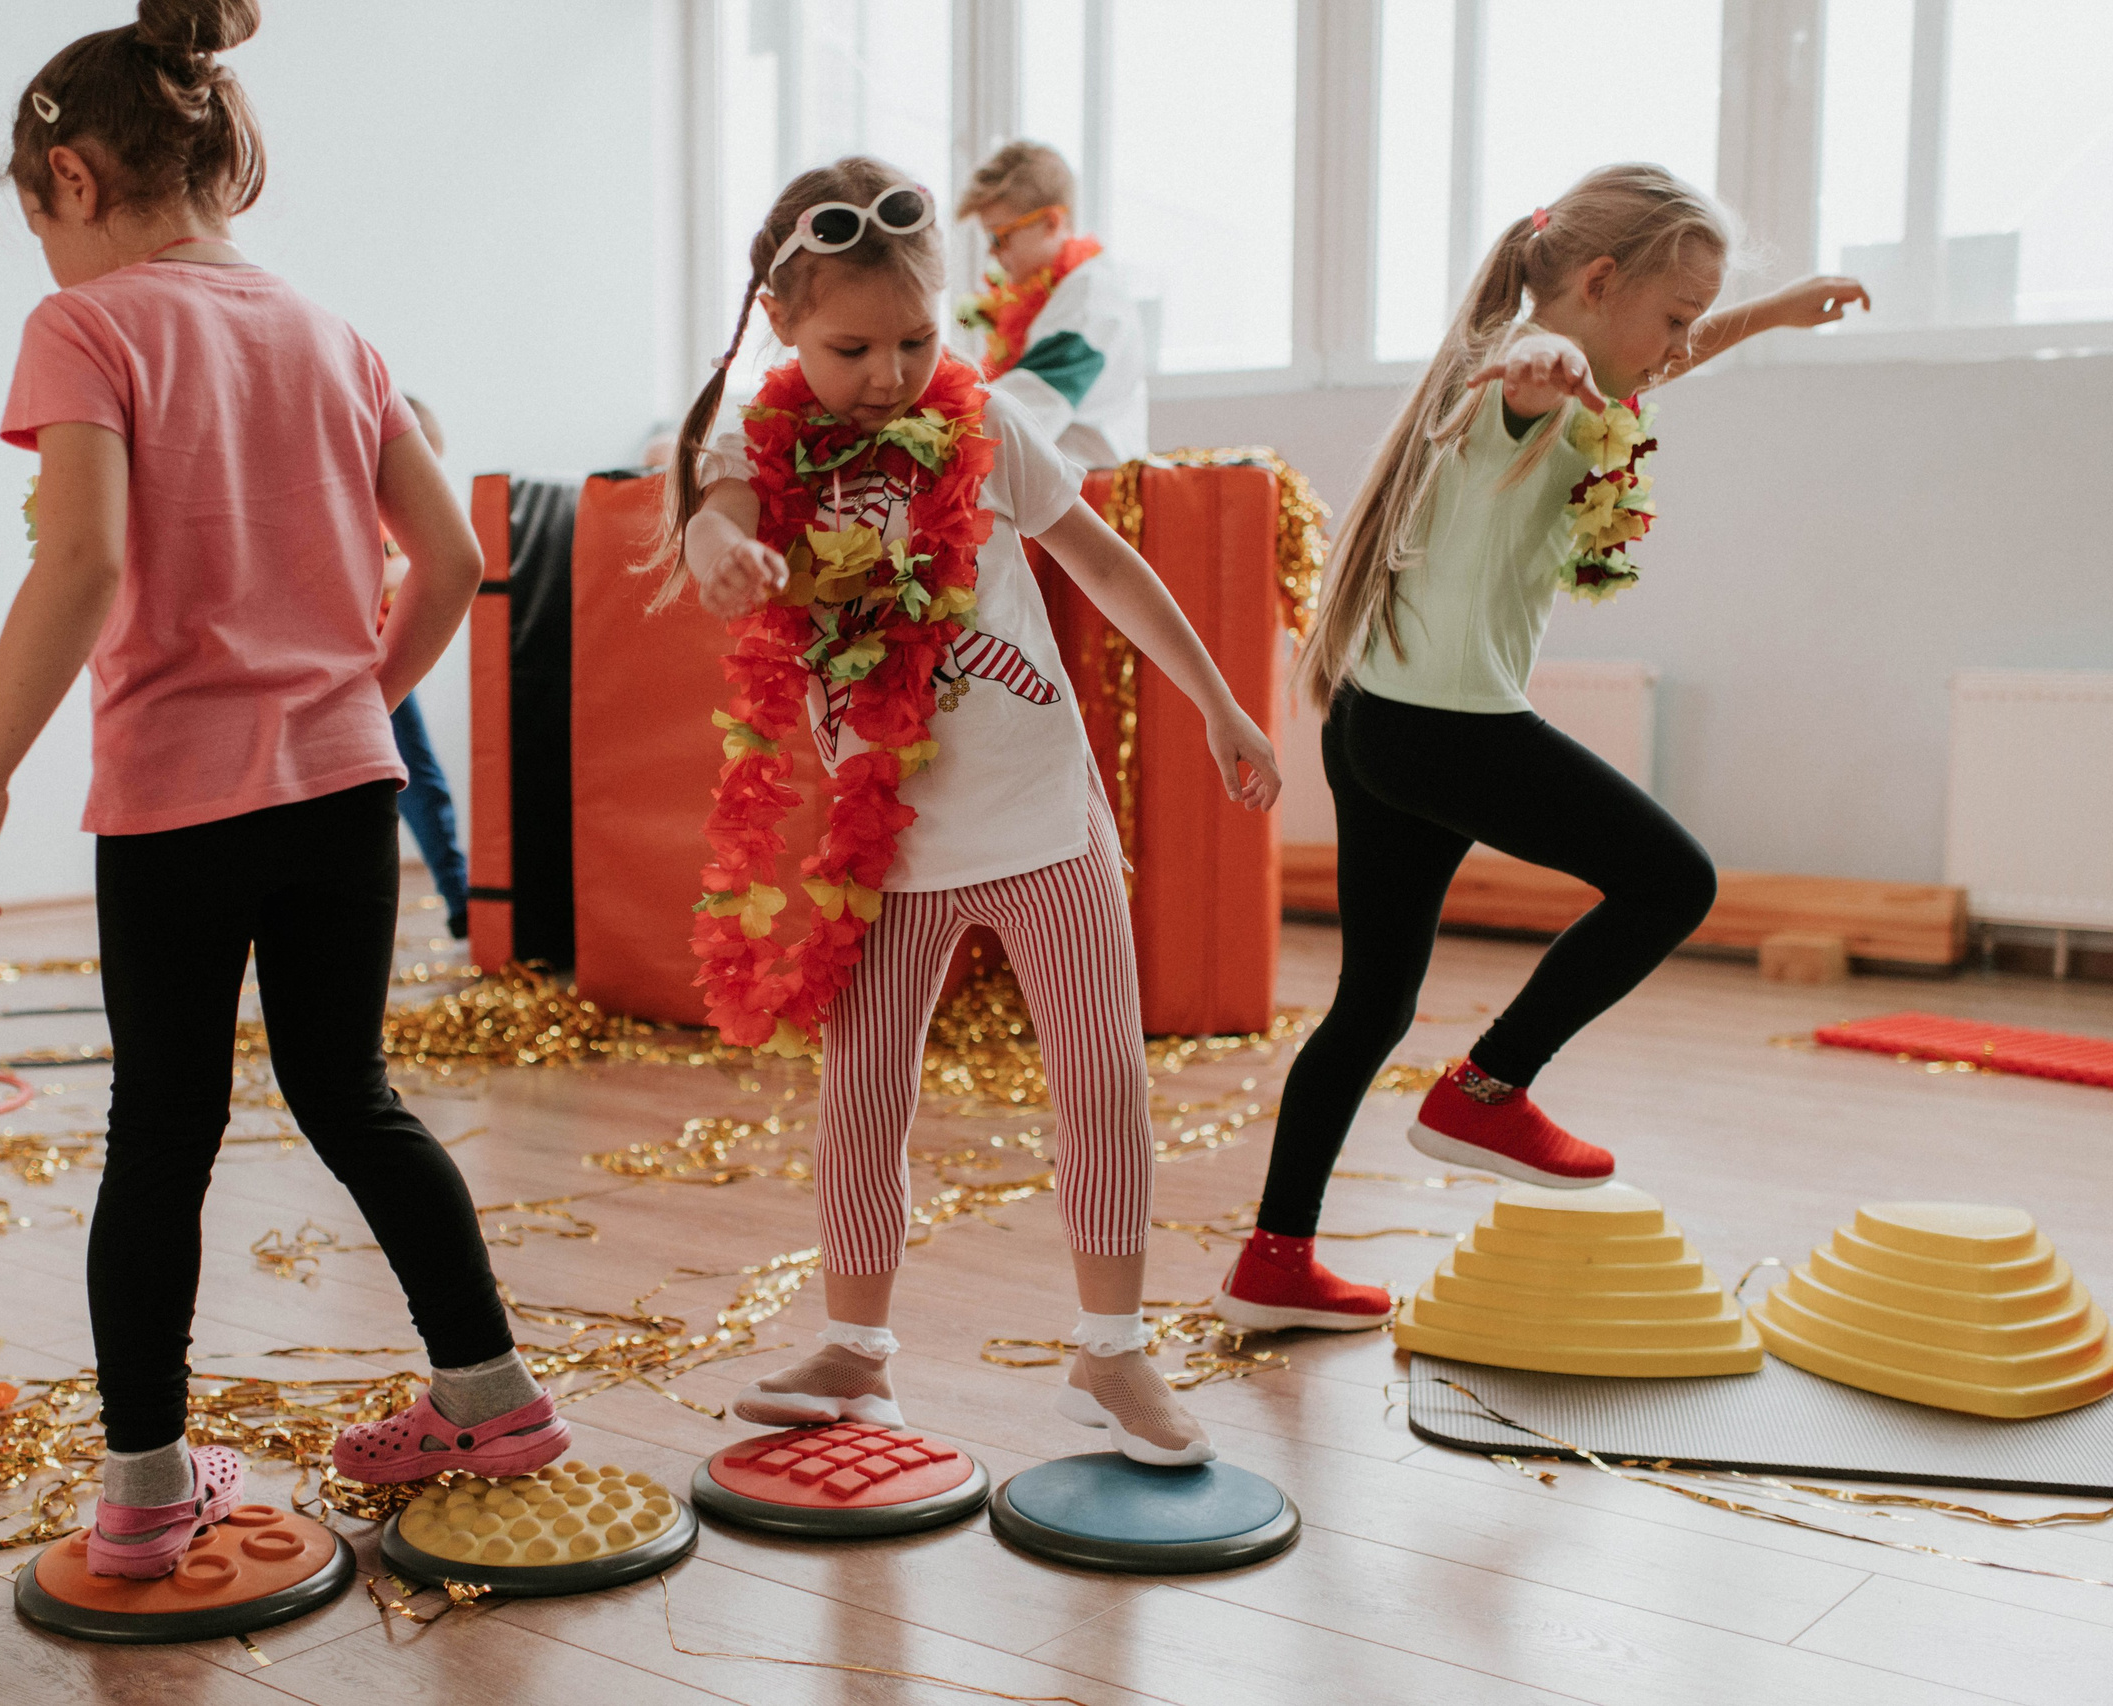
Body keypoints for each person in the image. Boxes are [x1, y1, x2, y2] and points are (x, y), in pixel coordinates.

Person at [0, 0, 565, 1581]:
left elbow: (82, 564)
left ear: (68, 177)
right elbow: (461, 559)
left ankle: (142, 1486)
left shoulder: (88, 327)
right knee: (354, 1097)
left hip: (174, 804)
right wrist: (350, 700)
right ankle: (491, 1397)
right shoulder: (337, 334)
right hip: (342, 790)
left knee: (162, 1130)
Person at [660, 157, 1280, 1465]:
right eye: (850, 346)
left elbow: (1104, 561)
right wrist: (720, 543)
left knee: (1103, 1083)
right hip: (887, 855)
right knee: (862, 1101)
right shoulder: (760, 446)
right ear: (780, 322)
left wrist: (1221, 704)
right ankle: (856, 1351)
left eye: (915, 337)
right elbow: (715, 514)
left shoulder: (991, 421)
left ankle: (1110, 1355)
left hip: (1047, 822)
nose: (887, 373)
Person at [1216, 164, 1871, 1333]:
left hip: (1379, 722)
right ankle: (1485, 1087)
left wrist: (1769, 315)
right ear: (1597, 279)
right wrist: (1539, 373)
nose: (1677, 344)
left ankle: (1275, 1258)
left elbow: (1620, 359)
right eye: (1672, 315)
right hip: (1448, 732)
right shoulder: (1519, 376)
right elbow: (1537, 383)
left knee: (1367, 1004)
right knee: (1675, 881)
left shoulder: (1541, 355)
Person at [954, 140, 1146, 469]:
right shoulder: (1058, 298)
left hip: (1097, 498)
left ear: (1052, 222)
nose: (992, 253)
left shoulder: (1090, 300)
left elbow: (1021, 412)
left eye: (1000, 236)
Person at [382, 397, 467, 941]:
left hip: (385, 660)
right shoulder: (369, 510)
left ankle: (460, 895)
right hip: (361, 662)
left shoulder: (399, 517)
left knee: (419, 780)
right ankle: (459, 892)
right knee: (413, 779)